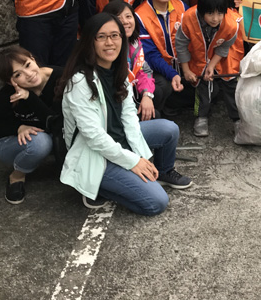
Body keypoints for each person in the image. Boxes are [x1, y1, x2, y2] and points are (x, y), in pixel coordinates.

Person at [60, 12, 192, 215]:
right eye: (101, 37)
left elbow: (129, 118)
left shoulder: (119, 73)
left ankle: (163, 172)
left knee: (169, 129)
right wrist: (132, 162)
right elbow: (94, 137)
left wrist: (140, 156)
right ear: (90, 41)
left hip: (120, 141)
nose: (109, 42)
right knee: (156, 202)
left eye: (115, 35)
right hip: (95, 153)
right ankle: (96, 187)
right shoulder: (80, 82)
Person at [0, 46, 62, 204]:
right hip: (13, 143)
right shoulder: (7, 94)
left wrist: (30, 97)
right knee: (41, 142)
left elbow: (58, 122)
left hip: (56, 134)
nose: (29, 74)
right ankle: (17, 176)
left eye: (27, 65)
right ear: (10, 81)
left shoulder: (61, 78)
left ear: (32, 58)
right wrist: (18, 128)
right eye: (18, 74)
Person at [175, 0, 241, 136]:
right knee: (203, 86)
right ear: (201, 11)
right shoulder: (188, 18)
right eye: (210, 13)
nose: (215, 18)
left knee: (231, 84)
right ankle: (201, 117)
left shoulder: (231, 24)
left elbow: (225, 46)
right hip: (198, 54)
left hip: (223, 56)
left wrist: (212, 64)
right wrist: (186, 70)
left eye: (219, 13)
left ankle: (237, 120)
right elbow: (181, 45)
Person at [135, 0, 190, 117]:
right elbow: (150, 56)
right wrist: (172, 74)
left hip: (183, 66)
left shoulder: (182, 7)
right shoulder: (140, 15)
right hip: (157, 70)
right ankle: (155, 113)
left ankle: (172, 105)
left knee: (209, 87)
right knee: (162, 88)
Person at [102, 1, 156, 121]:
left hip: (131, 93)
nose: (125, 22)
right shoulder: (106, 49)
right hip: (114, 101)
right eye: (118, 18)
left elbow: (144, 70)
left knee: (160, 90)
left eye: (128, 16)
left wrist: (147, 95)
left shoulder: (134, 43)